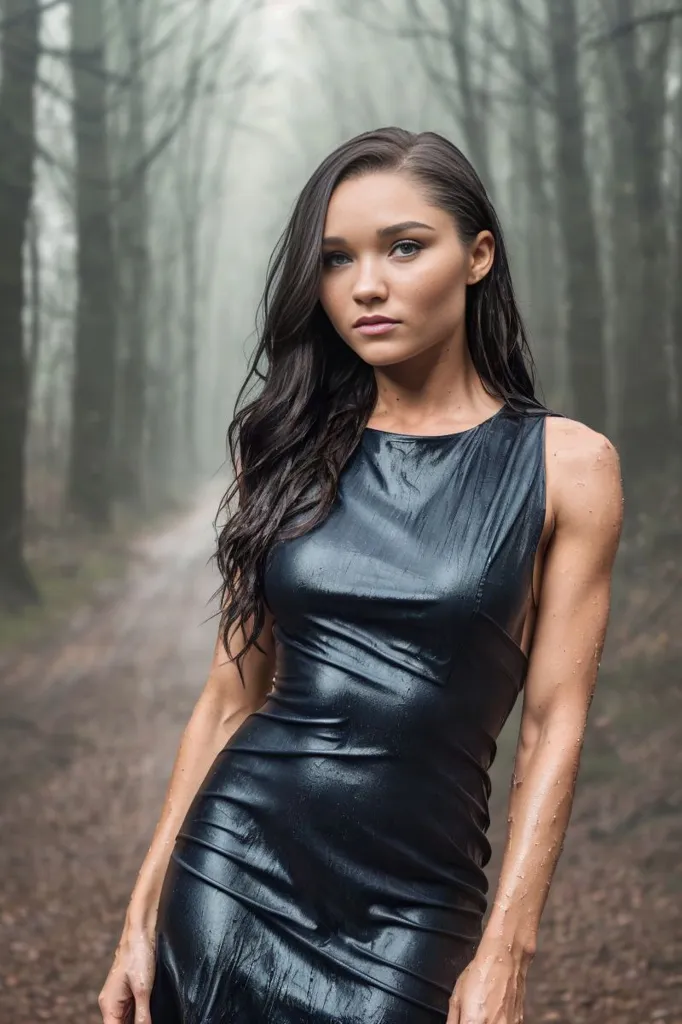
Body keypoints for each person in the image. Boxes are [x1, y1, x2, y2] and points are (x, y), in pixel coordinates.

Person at [98, 127, 623, 1024]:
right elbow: (230, 698)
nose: (365, 286)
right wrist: (140, 914)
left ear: (478, 256)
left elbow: (552, 723)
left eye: (404, 247)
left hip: (417, 902)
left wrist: (509, 947)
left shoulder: (567, 467)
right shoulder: (288, 455)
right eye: (337, 260)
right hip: (235, 872)